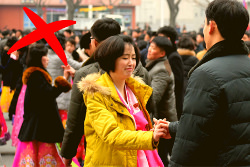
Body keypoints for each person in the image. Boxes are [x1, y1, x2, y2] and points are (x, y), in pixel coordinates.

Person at [61, 18, 152, 166]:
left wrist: (67, 154)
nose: (130, 63)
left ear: (95, 42)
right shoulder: (140, 72)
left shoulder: (87, 73)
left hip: (128, 150)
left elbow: (75, 122)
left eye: (133, 58)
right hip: (124, 150)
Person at [169, 0, 250, 166]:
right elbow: (233, 122)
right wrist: (174, 127)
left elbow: (189, 143)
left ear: (211, 26)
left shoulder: (205, 74)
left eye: (204, 24)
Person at [78, 35, 168, 167]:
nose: (131, 63)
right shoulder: (96, 93)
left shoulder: (135, 89)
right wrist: (151, 137)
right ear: (110, 59)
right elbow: (111, 134)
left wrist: (156, 129)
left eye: (133, 57)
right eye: (125, 58)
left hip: (138, 159)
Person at [12, 43, 72, 166]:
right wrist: (62, 82)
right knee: (44, 157)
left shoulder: (36, 74)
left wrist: (64, 78)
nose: (48, 58)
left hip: (38, 125)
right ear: (39, 58)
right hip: (40, 126)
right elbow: (48, 95)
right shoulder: (36, 75)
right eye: (45, 55)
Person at [146, 36, 178, 166]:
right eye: (150, 46)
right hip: (161, 121)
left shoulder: (161, 70)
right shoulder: (155, 65)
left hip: (163, 122)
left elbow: (153, 98)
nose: (149, 50)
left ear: (162, 53)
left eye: (153, 48)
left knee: (161, 157)